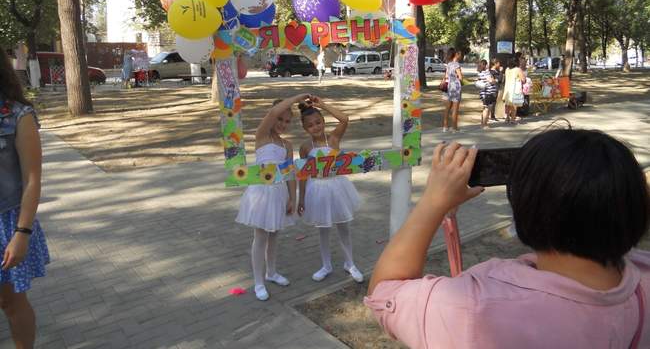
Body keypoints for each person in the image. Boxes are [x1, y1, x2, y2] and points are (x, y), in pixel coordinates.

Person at [365, 129, 650, 348]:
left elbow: (385, 291)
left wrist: (433, 202)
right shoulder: (643, 280)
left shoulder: (477, 309)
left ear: (527, 210)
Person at [235, 93, 310, 301]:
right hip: (261, 192)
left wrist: (292, 197)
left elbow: (289, 173)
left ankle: (272, 272)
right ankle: (258, 282)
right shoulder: (262, 136)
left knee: (275, 235)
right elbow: (274, 111)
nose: (282, 123)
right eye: (280, 119)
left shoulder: (287, 146)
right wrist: (297, 98)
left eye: (287, 121)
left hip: (279, 193)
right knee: (260, 237)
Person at [0, 47, 50, 348]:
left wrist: (22, 233)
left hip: (7, 224)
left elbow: (32, 179)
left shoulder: (18, 115)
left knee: (10, 302)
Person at [297, 96, 363, 283]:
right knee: (323, 229)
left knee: (344, 227)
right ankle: (326, 265)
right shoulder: (304, 147)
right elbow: (302, 174)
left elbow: (344, 119)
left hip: (337, 186)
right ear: (305, 129)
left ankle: (350, 263)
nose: (315, 127)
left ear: (323, 121)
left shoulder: (333, 139)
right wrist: (301, 198)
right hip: (317, 189)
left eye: (318, 122)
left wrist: (323, 105)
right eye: (310, 125)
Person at [441, 48, 463, 133]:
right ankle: (454, 127)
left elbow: (446, 76)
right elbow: (460, 78)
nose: (460, 56)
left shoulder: (449, 64)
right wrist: (459, 79)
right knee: (455, 108)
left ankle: (445, 126)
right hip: (456, 87)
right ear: (456, 54)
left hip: (450, 87)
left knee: (448, 107)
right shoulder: (456, 65)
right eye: (460, 54)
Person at [502, 57, 526, 124]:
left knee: (507, 104)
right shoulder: (518, 69)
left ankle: (507, 118)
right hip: (515, 88)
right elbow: (523, 80)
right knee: (514, 105)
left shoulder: (507, 69)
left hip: (507, 88)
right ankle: (513, 119)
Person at [476, 60, 497, 129]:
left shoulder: (480, 73)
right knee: (487, 109)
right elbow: (491, 81)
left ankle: (483, 123)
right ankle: (484, 124)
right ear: (485, 65)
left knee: (485, 108)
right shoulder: (487, 72)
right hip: (488, 93)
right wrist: (495, 81)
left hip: (483, 93)